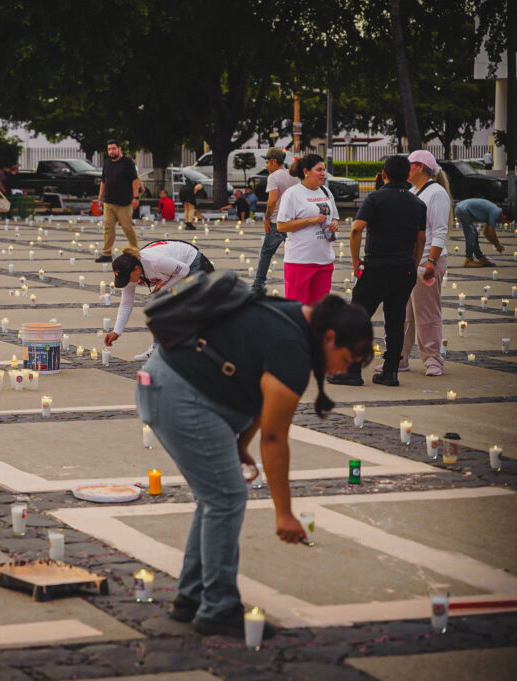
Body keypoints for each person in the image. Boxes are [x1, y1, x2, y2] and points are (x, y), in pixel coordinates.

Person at [139, 292, 372, 637]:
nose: (343, 369)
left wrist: (240, 444)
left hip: (168, 383)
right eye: (347, 359)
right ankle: (217, 608)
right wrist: (284, 513)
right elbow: (275, 439)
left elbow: (261, 397)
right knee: (226, 497)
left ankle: (192, 596)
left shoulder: (296, 318)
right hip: (180, 394)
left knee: (214, 498)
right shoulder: (293, 348)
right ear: (330, 338)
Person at [328, 155, 426, 387]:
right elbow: (421, 239)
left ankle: (352, 370)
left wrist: (355, 260)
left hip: (377, 266)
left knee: (357, 318)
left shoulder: (376, 198)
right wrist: (414, 263)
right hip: (404, 268)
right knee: (395, 320)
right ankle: (391, 372)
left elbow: (356, 229)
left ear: (384, 174)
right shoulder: (418, 204)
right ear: (408, 176)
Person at [105, 240, 212, 361]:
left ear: (136, 269)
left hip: (190, 262)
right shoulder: (129, 273)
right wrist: (116, 332)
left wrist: (162, 289)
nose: (127, 282)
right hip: (174, 271)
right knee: (159, 303)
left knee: (190, 305)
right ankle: (158, 348)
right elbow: (126, 304)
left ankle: (198, 347)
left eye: (127, 278)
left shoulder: (156, 262)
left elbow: (184, 270)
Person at [400, 150, 453, 377]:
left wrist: (431, 260)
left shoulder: (436, 193)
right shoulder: (413, 191)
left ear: (420, 166)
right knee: (403, 315)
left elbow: (439, 231)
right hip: (411, 261)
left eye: (409, 165)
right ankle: (399, 357)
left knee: (427, 313)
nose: (405, 169)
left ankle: (433, 359)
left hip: (428, 261)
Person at [277, 154, 339, 305]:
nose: (323, 173)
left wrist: (334, 225)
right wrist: (310, 220)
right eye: (319, 170)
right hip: (300, 261)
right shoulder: (292, 194)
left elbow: (334, 217)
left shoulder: (325, 191)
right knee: (297, 311)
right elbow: (282, 225)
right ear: (306, 171)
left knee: (319, 312)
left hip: (324, 260)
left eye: (324, 169)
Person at [252, 148, 297, 294]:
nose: (266, 166)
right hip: (293, 222)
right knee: (293, 254)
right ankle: (296, 282)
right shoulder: (293, 176)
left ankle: (258, 284)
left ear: (274, 161)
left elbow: (272, 201)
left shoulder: (273, 177)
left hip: (277, 222)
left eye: (267, 162)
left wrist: (266, 219)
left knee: (266, 253)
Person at [96, 139, 141, 262]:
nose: (111, 151)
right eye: (109, 149)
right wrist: (100, 198)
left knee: (127, 228)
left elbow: (134, 181)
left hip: (124, 203)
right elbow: (103, 182)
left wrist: (135, 197)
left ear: (119, 149)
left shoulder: (127, 163)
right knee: (108, 228)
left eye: (114, 148)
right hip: (108, 202)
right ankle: (106, 253)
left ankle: (136, 251)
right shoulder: (106, 163)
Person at [454, 198, 510, 267]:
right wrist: (497, 245)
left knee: (474, 234)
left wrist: (496, 244)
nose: (502, 223)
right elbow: (491, 232)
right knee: (472, 234)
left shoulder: (494, 212)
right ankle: (468, 259)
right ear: (504, 217)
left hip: (462, 209)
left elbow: (486, 233)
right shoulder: (496, 212)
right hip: (462, 210)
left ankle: (480, 258)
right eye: (504, 222)